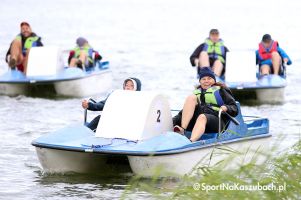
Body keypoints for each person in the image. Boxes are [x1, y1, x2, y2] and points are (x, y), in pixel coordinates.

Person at [173, 67, 238, 142]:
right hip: (198, 122)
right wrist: (174, 121)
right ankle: (182, 130)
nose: (206, 81)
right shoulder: (197, 93)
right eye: (203, 79)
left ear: (214, 80)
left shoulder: (221, 90)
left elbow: (234, 108)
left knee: (202, 117)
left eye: (209, 78)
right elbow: (185, 111)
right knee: (191, 98)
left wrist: (226, 107)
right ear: (200, 81)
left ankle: (191, 141)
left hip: (217, 121)